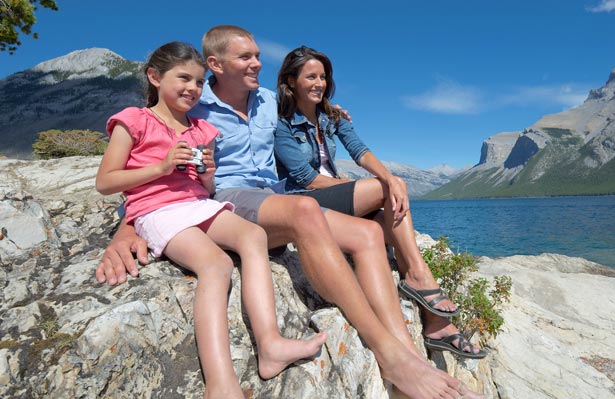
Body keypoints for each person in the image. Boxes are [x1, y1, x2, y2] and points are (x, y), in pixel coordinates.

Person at [97, 26, 481, 399]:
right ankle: (387, 352)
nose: (257, 63)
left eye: (258, 56)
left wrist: (331, 109)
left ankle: (409, 357)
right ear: (214, 64)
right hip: (231, 196)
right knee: (304, 209)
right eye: (245, 57)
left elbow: (310, 111)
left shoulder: (268, 101)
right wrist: (129, 225)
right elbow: (151, 166)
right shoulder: (192, 103)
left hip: (273, 198)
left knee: (368, 235)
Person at [94, 42, 326, 399]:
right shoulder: (134, 120)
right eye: (183, 78)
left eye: (200, 82)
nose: (193, 88)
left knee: (253, 237)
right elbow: (105, 181)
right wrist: (161, 167)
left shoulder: (201, 129)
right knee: (216, 265)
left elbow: (205, 185)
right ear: (154, 77)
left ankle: (270, 344)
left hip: (197, 204)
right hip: (156, 210)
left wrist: (207, 176)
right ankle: (220, 384)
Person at [274, 46, 485, 359]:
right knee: (383, 190)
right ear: (291, 81)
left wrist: (389, 178)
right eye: (311, 77)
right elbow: (307, 178)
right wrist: (364, 188)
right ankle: (418, 278)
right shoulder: (281, 124)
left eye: (323, 77)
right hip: (303, 202)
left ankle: (436, 323)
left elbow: (359, 150)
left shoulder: (332, 117)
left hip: (335, 198)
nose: (319, 83)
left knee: (390, 216)